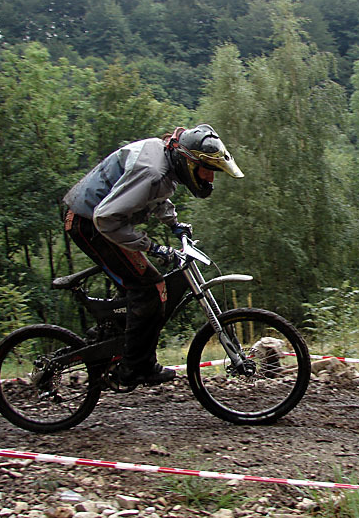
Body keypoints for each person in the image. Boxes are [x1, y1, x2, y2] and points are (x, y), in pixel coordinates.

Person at [63, 124, 244, 386]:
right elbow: (106, 218)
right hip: (90, 224)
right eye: (208, 170)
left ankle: (106, 341)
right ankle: (135, 368)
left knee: (139, 286)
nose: (211, 179)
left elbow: (156, 195)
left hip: (100, 222)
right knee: (149, 288)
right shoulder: (152, 171)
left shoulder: (166, 161)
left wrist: (174, 224)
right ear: (189, 163)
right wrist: (153, 247)